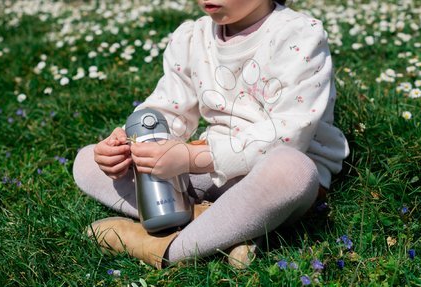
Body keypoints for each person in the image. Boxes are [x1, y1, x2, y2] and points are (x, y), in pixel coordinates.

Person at [73, 0, 350, 269]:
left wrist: (193, 157)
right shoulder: (193, 38)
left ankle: (167, 250)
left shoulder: (298, 34)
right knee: (86, 161)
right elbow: (168, 110)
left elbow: (291, 133)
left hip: (270, 175)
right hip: (204, 164)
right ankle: (223, 226)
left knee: (291, 169)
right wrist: (128, 145)